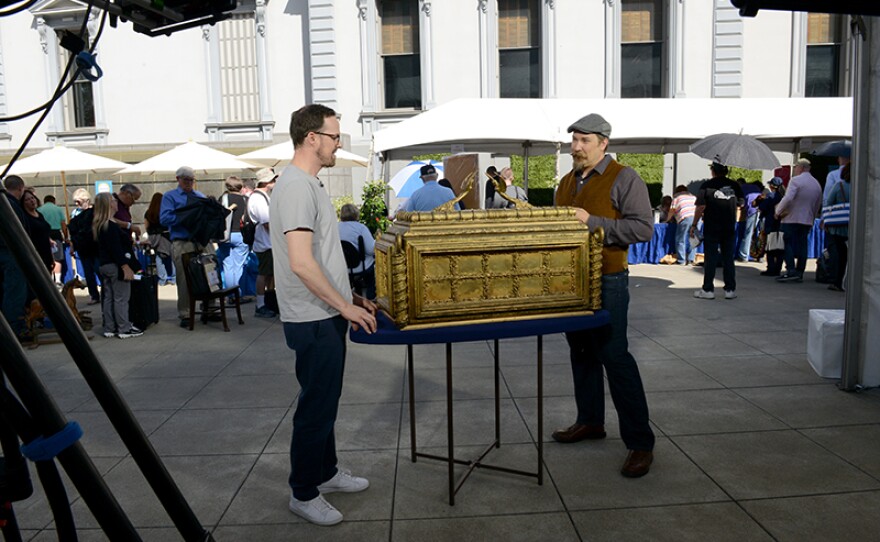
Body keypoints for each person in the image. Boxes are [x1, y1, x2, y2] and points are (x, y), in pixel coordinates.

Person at [270, 104, 377, 526]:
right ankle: (303, 491)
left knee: (326, 401)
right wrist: (345, 305)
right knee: (316, 406)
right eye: (334, 136)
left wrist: (350, 295)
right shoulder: (296, 186)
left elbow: (322, 258)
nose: (338, 143)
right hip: (311, 318)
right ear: (311, 137)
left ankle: (326, 472)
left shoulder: (308, 184)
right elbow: (300, 261)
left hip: (323, 312)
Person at [552, 113, 655, 478]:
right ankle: (590, 421)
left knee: (615, 356)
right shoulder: (566, 181)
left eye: (584, 141)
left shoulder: (624, 177)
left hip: (609, 280)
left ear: (603, 144)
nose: (576, 147)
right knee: (580, 352)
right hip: (572, 283)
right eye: (574, 140)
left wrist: (590, 221)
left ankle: (641, 443)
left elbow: (643, 229)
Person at [160, 165, 212, 328]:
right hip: (182, 241)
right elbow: (164, 219)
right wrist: (184, 216)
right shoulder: (170, 196)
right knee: (184, 278)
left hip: (201, 240)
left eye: (191, 180)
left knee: (210, 272)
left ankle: (210, 307)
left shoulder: (199, 195)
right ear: (178, 179)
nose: (189, 183)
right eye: (186, 180)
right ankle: (185, 312)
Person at [93, 193, 143, 339]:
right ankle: (124, 328)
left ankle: (109, 327)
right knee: (121, 297)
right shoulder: (112, 226)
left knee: (108, 297)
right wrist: (125, 266)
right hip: (116, 265)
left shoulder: (99, 224)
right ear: (110, 204)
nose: (116, 203)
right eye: (114, 201)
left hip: (104, 264)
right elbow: (116, 249)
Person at [692, 162, 744, 300]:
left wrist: (694, 224)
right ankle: (730, 289)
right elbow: (742, 203)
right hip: (729, 226)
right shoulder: (735, 185)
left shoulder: (707, 185)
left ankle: (708, 289)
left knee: (711, 258)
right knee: (728, 258)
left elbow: (701, 206)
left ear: (713, 171)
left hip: (712, 226)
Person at [775, 157, 822, 283]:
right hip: (806, 219)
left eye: (796, 167)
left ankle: (791, 270)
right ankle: (800, 271)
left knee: (786, 242)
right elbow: (818, 203)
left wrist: (778, 211)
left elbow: (788, 198)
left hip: (791, 217)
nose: (795, 170)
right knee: (803, 245)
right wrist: (812, 218)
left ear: (800, 168)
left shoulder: (796, 181)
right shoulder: (816, 184)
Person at [0, 175, 30, 341]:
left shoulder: (6, 202)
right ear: (21, 188)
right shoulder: (10, 205)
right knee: (15, 291)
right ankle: (14, 329)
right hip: (10, 252)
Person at [249, 167, 277, 318]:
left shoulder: (261, 197)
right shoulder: (259, 198)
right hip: (265, 243)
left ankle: (268, 301)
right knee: (264, 274)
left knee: (269, 274)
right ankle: (261, 304)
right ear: (266, 182)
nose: (274, 182)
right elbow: (267, 222)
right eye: (273, 179)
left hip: (267, 243)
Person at [217, 176, 250, 292]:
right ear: (241, 186)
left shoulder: (223, 198)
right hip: (241, 235)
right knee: (239, 265)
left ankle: (230, 293)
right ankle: (239, 293)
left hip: (225, 234)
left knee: (227, 265)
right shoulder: (246, 200)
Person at [337, 203, 376, 299]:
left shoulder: (335, 227)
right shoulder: (361, 228)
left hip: (343, 267)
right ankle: (370, 299)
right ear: (356, 214)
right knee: (371, 277)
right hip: (362, 267)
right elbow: (371, 250)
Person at [70, 188, 100, 304]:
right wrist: (73, 246)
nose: (77, 204)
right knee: (88, 272)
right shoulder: (75, 213)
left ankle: (103, 293)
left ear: (86, 200)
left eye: (79, 201)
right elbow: (73, 233)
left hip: (94, 246)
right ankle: (94, 295)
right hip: (83, 247)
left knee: (98, 269)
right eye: (76, 201)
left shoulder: (94, 212)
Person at [823, 163, 850, 292]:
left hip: (837, 225)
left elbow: (828, 202)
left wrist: (825, 220)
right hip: (852, 225)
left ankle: (836, 280)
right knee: (848, 254)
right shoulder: (861, 187)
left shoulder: (839, 186)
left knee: (837, 252)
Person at [144, 192, 175, 286]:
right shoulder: (166, 211)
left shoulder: (149, 212)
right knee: (173, 257)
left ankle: (162, 278)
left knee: (158, 257)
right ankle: (174, 278)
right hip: (166, 236)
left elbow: (146, 226)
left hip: (154, 237)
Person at [757, 177, 786, 276]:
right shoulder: (783, 196)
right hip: (782, 223)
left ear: (772, 186)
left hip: (771, 223)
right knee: (780, 248)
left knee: (770, 248)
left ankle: (771, 269)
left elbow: (761, 208)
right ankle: (778, 269)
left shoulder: (770, 196)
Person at [21, 190, 55, 274]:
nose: (32, 201)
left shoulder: (39, 214)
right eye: (27, 199)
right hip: (35, 255)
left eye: (32, 198)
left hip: (46, 254)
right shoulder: (25, 217)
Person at [37, 194, 68, 282]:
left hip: (44, 234)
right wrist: (66, 237)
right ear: (54, 201)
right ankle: (58, 280)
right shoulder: (58, 209)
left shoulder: (39, 210)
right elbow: (63, 225)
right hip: (56, 234)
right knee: (57, 258)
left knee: (46, 257)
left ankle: (49, 279)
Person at [668, 185, 696, 265]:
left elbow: (672, 210)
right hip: (697, 219)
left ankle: (681, 260)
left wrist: (667, 220)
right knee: (694, 239)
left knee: (681, 239)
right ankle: (691, 259)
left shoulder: (677, 197)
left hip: (685, 217)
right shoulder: (693, 196)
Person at [737, 181, 764, 262]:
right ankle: (759, 255)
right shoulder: (756, 189)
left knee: (748, 233)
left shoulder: (742, 189)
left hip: (752, 211)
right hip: (761, 211)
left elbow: (742, 204)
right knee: (759, 234)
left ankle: (743, 255)